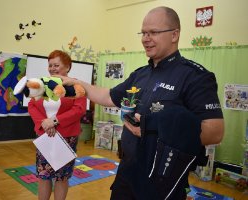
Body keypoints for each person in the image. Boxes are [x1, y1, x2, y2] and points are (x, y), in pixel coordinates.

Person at [56, 6, 224, 200]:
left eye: (153, 32)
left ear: (174, 34)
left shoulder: (195, 77)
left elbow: (215, 131)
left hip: (163, 181)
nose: (146, 38)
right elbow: (109, 96)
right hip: (127, 175)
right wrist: (78, 83)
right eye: (143, 33)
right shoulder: (140, 75)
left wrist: (152, 129)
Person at [28, 50, 86, 200]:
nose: (52, 68)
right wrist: (44, 123)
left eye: (56, 65)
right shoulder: (42, 84)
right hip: (45, 135)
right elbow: (32, 105)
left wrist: (54, 121)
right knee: (43, 175)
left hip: (66, 137)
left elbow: (79, 109)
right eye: (50, 65)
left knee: (62, 176)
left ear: (67, 67)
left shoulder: (75, 85)